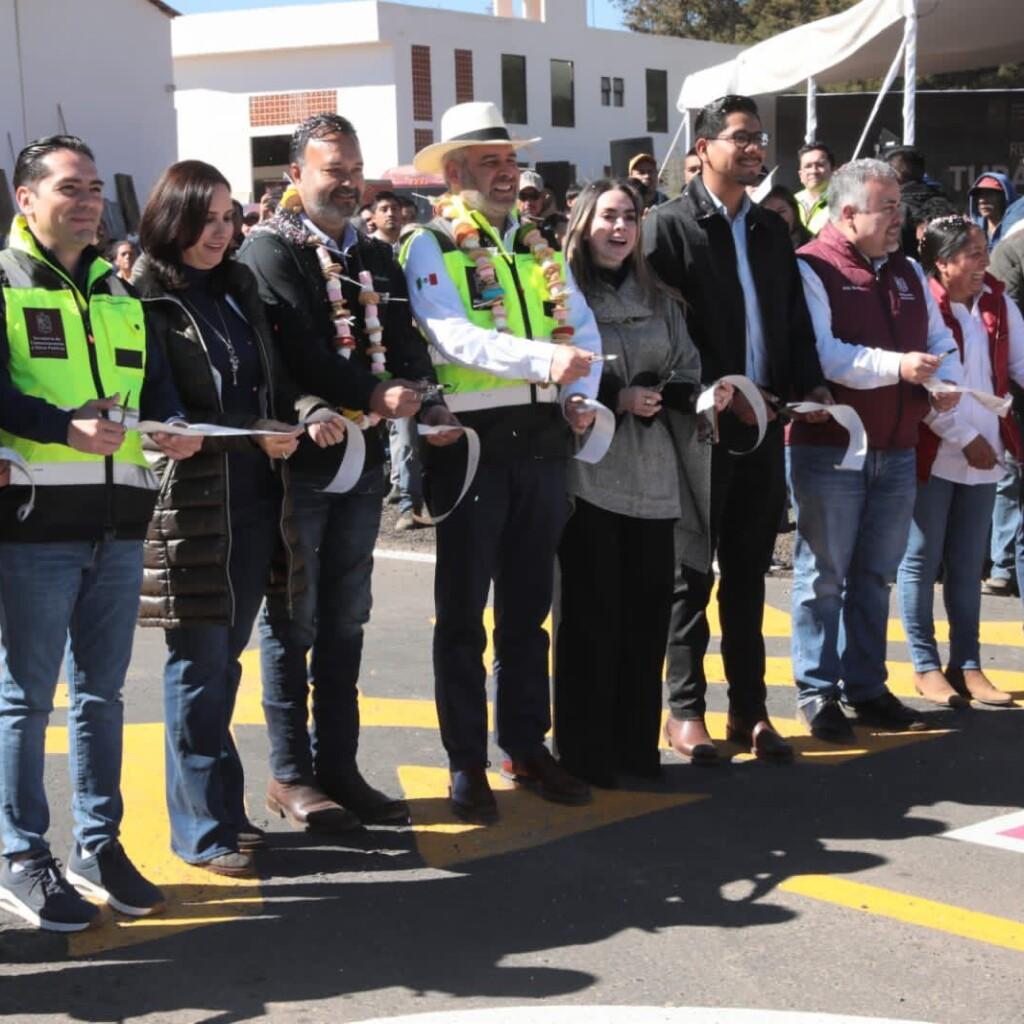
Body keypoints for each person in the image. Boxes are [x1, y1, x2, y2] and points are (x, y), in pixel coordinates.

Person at [0, 135, 202, 931]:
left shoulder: (122, 293)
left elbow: (151, 394)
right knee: (24, 699)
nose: (87, 201)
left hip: (123, 520)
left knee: (102, 694)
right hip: (34, 525)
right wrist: (62, 427)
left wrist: (172, 430)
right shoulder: (3, 283)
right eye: (69, 188)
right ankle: (22, 852)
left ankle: (99, 841)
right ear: (27, 200)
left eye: (93, 190)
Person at [133, 160, 349, 875]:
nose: (219, 233)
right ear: (172, 219)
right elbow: (158, 406)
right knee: (198, 670)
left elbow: (275, 383)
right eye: (205, 218)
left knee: (222, 667)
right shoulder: (145, 296)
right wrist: (241, 426)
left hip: (256, 499)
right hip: (191, 509)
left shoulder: (236, 291)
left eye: (228, 218)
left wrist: (302, 414)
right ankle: (201, 829)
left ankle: (221, 814)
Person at [239, 114, 443, 830]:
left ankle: (340, 767)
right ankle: (290, 774)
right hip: (302, 460)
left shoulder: (374, 252)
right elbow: (295, 346)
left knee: (347, 618)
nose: (349, 182)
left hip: (360, 462)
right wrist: (367, 395)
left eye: (356, 168)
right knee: (293, 617)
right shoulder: (271, 248)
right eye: (333, 170)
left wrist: (420, 391)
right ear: (295, 176)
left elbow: (404, 336)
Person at [400, 100, 601, 822]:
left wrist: (582, 394)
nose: (508, 174)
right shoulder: (430, 243)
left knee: (527, 610)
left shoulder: (537, 243)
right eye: (491, 163)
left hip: (543, 436)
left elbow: (583, 327)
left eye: (512, 161)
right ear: (454, 173)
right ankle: (464, 762)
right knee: (462, 615)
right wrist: (546, 359)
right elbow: (450, 334)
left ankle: (525, 744)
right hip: (474, 444)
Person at [643, 94, 829, 765]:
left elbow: (790, 321)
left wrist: (807, 386)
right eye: (742, 137)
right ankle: (684, 711)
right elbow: (655, 332)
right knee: (689, 574)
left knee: (749, 574)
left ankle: (748, 710)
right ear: (702, 148)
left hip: (764, 429)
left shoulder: (772, 230)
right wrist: (703, 397)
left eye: (760, 140)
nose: (755, 149)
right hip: (697, 431)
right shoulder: (667, 227)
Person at [554, 179, 731, 788]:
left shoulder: (662, 299)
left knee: (645, 618)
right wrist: (615, 394)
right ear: (583, 222)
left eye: (629, 216)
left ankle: (635, 747)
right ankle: (584, 752)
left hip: (656, 476)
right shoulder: (559, 293)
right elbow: (551, 369)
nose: (620, 228)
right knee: (589, 620)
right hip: (590, 474)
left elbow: (687, 364)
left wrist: (692, 393)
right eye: (607, 216)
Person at [789, 158, 962, 743]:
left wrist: (940, 384)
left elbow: (940, 341)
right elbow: (827, 356)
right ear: (847, 213)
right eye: (887, 207)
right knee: (825, 576)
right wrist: (902, 369)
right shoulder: (812, 267)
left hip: (896, 447)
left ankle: (865, 687)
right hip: (831, 448)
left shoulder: (908, 271)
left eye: (897, 205)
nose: (900, 216)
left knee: (874, 577)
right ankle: (817, 691)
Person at [897, 216, 1023, 708]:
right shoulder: (921, 304)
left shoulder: (997, 301)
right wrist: (963, 436)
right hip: (934, 449)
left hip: (985, 452)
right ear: (943, 262)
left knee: (969, 564)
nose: (983, 262)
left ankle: (967, 664)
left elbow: (1017, 365)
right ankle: (925, 665)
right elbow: (922, 386)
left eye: (983, 251)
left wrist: (981, 439)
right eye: (972, 253)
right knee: (921, 561)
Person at [968, 172, 1018, 252]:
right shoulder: (971, 232)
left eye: (989, 194)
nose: (982, 200)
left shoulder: (1018, 230)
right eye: (979, 195)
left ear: (1004, 197)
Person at [794, 143, 834, 237]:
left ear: (833, 171)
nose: (814, 171)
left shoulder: (842, 203)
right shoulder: (791, 202)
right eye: (808, 166)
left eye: (820, 165)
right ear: (800, 175)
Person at [761, 185, 812, 250]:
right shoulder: (759, 248)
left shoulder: (812, 245)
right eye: (769, 213)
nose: (776, 217)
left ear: (794, 211)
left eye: (781, 211)